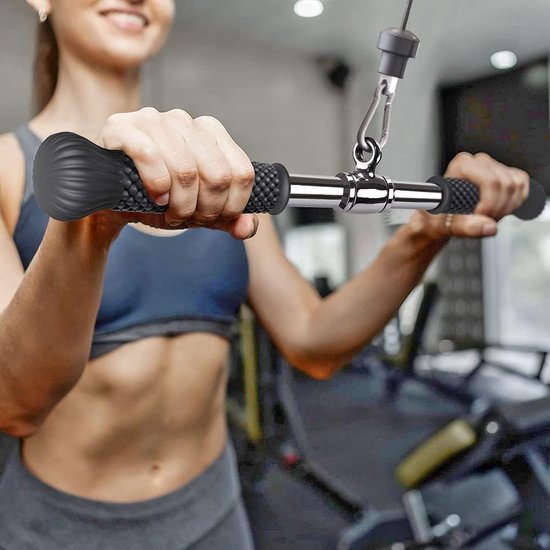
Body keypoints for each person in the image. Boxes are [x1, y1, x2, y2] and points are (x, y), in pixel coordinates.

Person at [0, 0, 529, 548]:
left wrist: (425, 234)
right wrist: (88, 227)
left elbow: (313, 342)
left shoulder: (222, 171)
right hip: (60, 527)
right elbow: (14, 403)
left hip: (215, 512)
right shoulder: (6, 168)